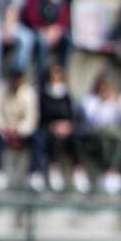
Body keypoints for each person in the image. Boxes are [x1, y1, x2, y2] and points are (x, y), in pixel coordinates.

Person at [0, 68, 44, 191]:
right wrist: (4, 128)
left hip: (21, 130)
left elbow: (32, 117)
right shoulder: (0, 89)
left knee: (37, 138)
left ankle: (35, 173)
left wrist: (18, 130)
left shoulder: (29, 92)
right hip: (3, 129)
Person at [39, 64, 89, 193]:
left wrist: (68, 125)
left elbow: (72, 115)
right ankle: (54, 169)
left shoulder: (66, 94)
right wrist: (53, 125)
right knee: (54, 138)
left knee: (75, 138)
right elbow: (42, 115)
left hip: (66, 128)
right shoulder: (43, 94)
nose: (56, 77)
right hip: (49, 128)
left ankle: (78, 170)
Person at [78, 73, 121, 195]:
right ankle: (107, 171)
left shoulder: (113, 101)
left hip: (110, 135)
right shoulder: (89, 100)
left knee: (120, 139)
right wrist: (101, 103)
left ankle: (111, 172)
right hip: (91, 134)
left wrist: (115, 103)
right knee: (107, 138)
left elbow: (119, 121)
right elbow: (92, 120)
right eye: (102, 85)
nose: (104, 89)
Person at [23, 0, 71, 79]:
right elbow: (31, 17)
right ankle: (42, 78)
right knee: (41, 41)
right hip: (39, 30)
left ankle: (61, 74)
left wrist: (57, 29)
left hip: (55, 32)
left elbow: (65, 19)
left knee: (68, 39)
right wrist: (45, 29)